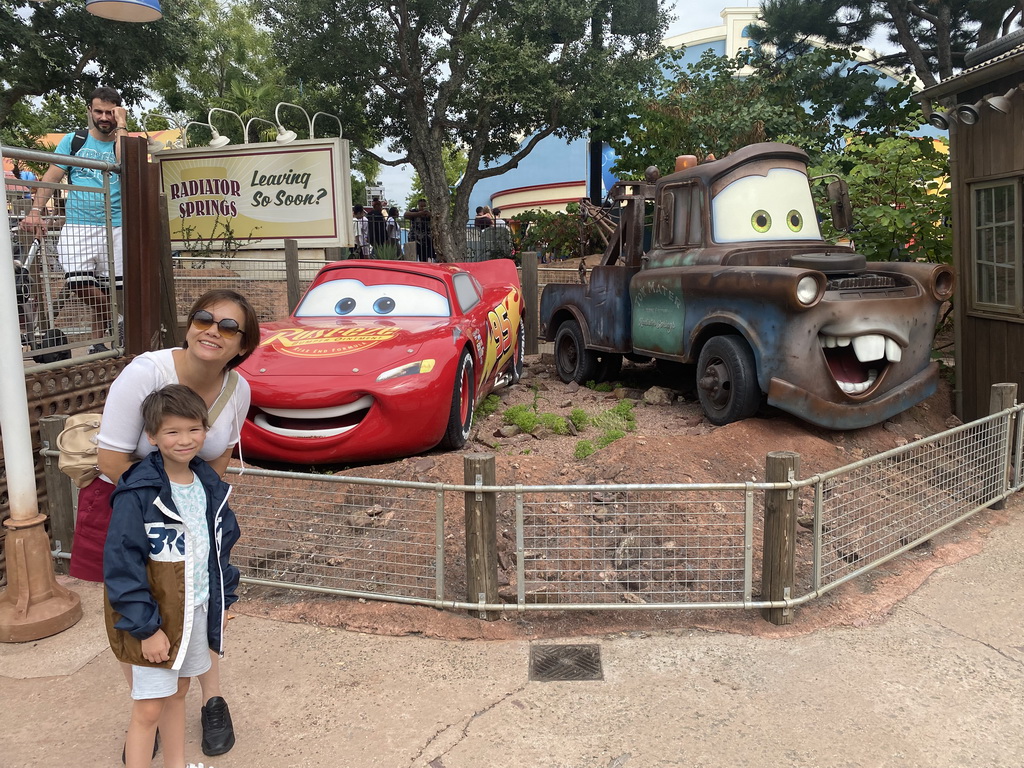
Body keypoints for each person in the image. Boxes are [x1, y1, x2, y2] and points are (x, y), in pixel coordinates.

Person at [70, 288, 259, 759]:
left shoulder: (238, 390)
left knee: (199, 599)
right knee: (141, 606)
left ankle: (210, 699)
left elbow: (220, 459)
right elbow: (112, 457)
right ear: (189, 324)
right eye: (204, 318)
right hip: (130, 505)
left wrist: (201, 509)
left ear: (243, 345)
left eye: (229, 326)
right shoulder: (146, 372)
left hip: (191, 508)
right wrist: (166, 504)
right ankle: (147, 709)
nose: (213, 330)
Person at [104, 384, 241, 768]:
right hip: (155, 615)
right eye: (172, 432)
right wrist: (146, 629)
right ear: (152, 436)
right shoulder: (138, 492)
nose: (185, 440)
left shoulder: (209, 487)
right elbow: (122, 564)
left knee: (179, 692)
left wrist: (222, 602)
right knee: (148, 709)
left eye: (194, 429)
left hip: (196, 609)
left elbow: (221, 548)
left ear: (205, 430)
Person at [21, 86, 127, 355]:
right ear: (90, 111)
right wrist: (36, 210)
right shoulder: (74, 140)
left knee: (113, 288)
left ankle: (96, 343)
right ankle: (120, 322)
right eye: (99, 111)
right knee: (78, 282)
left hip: (116, 224)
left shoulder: (123, 140)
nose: (104, 117)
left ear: (118, 112)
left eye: (110, 112)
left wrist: (122, 126)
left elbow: (126, 160)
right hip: (80, 224)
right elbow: (53, 176)